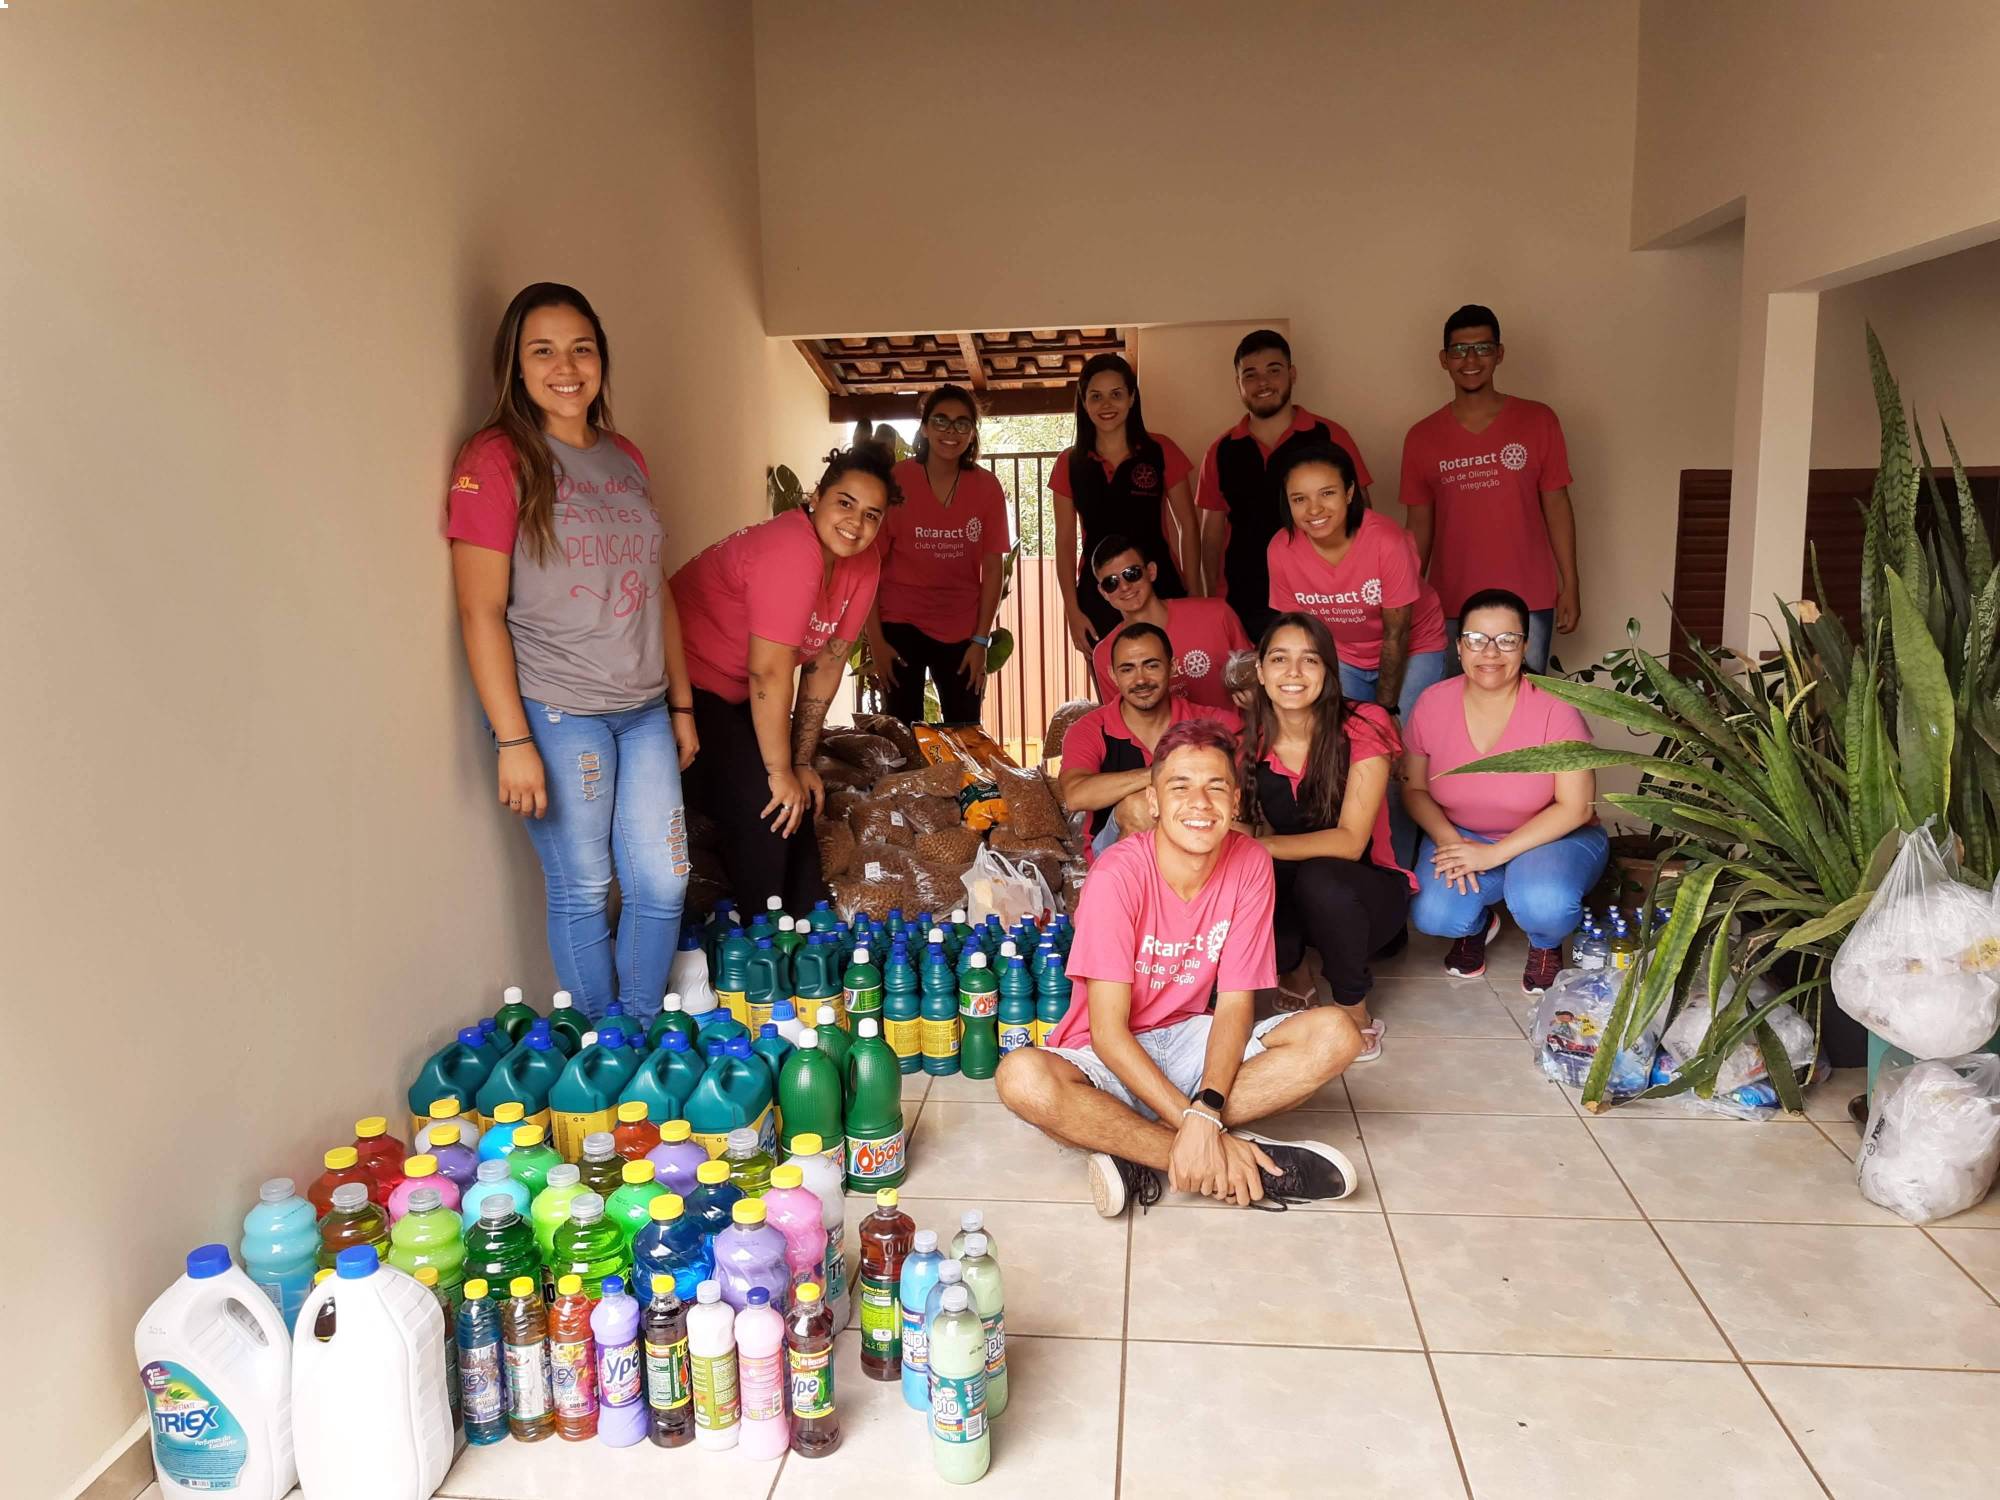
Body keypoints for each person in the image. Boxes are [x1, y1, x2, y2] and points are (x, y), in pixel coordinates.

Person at [995, 717, 1362, 1218]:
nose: (1199, 803)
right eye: (1180, 786)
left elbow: (1235, 1002)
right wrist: (1196, 1126)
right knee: (1021, 1079)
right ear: (1154, 802)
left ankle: (1133, 1150)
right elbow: (1106, 1031)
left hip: (1190, 1035)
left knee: (1338, 1034)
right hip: (1106, 1053)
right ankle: (1233, 1163)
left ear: (1235, 802)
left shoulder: (1251, 862)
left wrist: (1206, 1108)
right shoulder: (1117, 874)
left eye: (1215, 787)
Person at [447, 283, 694, 1021]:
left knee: (665, 882)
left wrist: (680, 704)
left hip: (644, 709)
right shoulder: (494, 460)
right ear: (514, 367)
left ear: (601, 359)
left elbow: (656, 588)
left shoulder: (626, 457)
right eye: (543, 350)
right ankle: (604, 1048)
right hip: (557, 713)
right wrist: (513, 738)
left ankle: (642, 1035)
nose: (566, 366)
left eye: (582, 348)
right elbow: (479, 609)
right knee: (583, 887)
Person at [671, 445, 898, 910]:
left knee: (797, 805)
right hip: (679, 687)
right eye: (845, 503)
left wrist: (799, 762)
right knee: (767, 805)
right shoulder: (791, 548)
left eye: (872, 515)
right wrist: (778, 772)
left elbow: (828, 662)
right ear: (817, 496)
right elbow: (769, 671)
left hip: (738, 693)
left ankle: (809, 932)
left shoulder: (864, 563)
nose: (856, 524)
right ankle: (764, 946)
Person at [1403, 588, 1608, 992]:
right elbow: (1413, 789)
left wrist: (1493, 854)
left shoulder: (1556, 706)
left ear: (1525, 646)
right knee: (1434, 914)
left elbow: (1575, 808)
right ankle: (1478, 925)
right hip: (1465, 832)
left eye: (1507, 640)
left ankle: (1546, 943)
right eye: (1477, 639)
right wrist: (1451, 844)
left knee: (1544, 902)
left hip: (1552, 837)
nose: (1490, 652)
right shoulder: (1431, 703)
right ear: (1459, 647)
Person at [1238, 613, 1414, 1061]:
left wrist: (1258, 846)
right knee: (1247, 873)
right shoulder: (1248, 742)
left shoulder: (1364, 724)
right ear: (1260, 671)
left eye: (1309, 660)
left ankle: (1354, 1011)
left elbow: (1351, 841)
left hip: (1368, 898)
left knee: (1318, 876)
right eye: (1279, 659)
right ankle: (1294, 971)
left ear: (1328, 671)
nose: (1293, 673)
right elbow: (1236, 828)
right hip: (1304, 891)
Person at [1266, 440, 1448, 863]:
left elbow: (1396, 634)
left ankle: (1397, 868)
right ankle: (1346, 855)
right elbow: (1294, 634)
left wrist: (1384, 713)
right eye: (1300, 499)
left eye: (1327, 493)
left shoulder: (1386, 540)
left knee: (1397, 761)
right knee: (1338, 753)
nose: (1314, 509)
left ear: (1350, 492)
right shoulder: (1281, 549)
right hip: (1341, 654)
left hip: (1412, 647)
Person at [1398, 304, 1579, 673]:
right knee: (1455, 708)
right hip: (1450, 602)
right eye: (1459, 349)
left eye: (1482, 347)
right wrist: (1409, 596)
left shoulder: (1538, 420)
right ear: (1444, 359)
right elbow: (1418, 526)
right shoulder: (1422, 437)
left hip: (1528, 599)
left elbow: (1557, 504)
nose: (1470, 359)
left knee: (1525, 707)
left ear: (1499, 353)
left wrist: (1571, 584)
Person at [1197, 329, 1374, 641]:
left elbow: (1363, 515)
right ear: (1238, 383)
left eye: (1274, 371)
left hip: (1324, 600)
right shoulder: (1221, 450)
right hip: (1246, 602)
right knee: (1257, 688)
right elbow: (1211, 537)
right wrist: (1214, 599)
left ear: (1292, 374)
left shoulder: (1329, 436)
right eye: (1250, 374)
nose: (1262, 383)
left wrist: (1355, 589)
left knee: (1330, 686)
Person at [863, 385, 1012, 724]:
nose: (950, 431)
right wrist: (877, 641)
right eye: (941, 421)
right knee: (903, 732)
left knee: (966, 732)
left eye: (962, 423)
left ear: (972, 433)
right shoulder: (897, 480)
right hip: (900, 622)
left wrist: (980, 641)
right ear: (925, 427)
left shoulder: (986, 487)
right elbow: (870, 565)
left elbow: (993, 571)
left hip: (962, 628)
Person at [1052, 353, 1201, 652]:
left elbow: (1188, 525)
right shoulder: (1069, 463)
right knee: (1114, 692)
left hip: (1162, 588)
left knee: (1174, 685)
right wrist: (1072, 609)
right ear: (1083, 402)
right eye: (1096, 396)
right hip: (1100, 596)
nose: (1106, 405)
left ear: (1132, 398)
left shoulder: (1160, 450)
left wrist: (1196, 595)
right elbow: (1064, 542)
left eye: (1116, 394)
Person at [1059, 623, 1241, 860]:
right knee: (1139, 806)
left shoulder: (1213, 723)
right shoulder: (1091, 728)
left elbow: (1245, 790)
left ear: (1173, 667)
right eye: (1127, 669)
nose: (1141, 680)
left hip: (1198, 834)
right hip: (1113, 852)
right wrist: (1163, 771)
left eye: (1151, 665)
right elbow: (1076, 796)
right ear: (1113, 675)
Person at [1086, 533, 1250, 710]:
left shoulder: (1217, 614)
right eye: (1111, 583)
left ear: (1151, 571)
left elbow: (1256, 678)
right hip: (1161, 739)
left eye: (1132, 574)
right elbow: (1121, 724)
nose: (1125, 587)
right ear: (1103, 592)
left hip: (1235, 735)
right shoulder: (1105, 655)